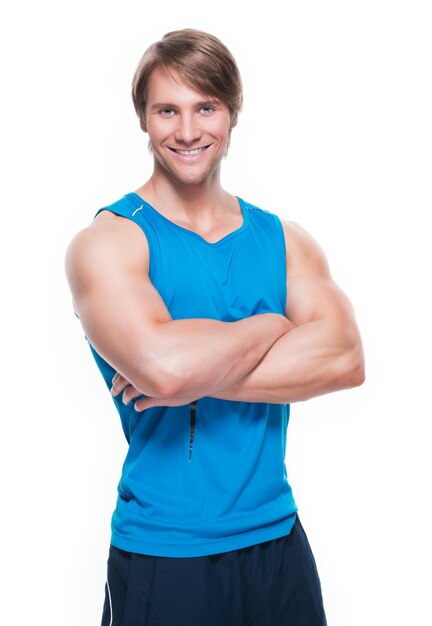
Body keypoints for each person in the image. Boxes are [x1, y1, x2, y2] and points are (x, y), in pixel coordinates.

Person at [65, 28, 365, 626]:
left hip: (279, 543)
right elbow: (164, 368)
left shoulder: (285, 239)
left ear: (232, 114)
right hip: (169, 548)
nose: (187, 130)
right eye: (166, 110)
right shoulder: (109, 242)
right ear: (143, 120)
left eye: (206, 107)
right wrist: (271, 326)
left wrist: (193, 373)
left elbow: (344, 360)